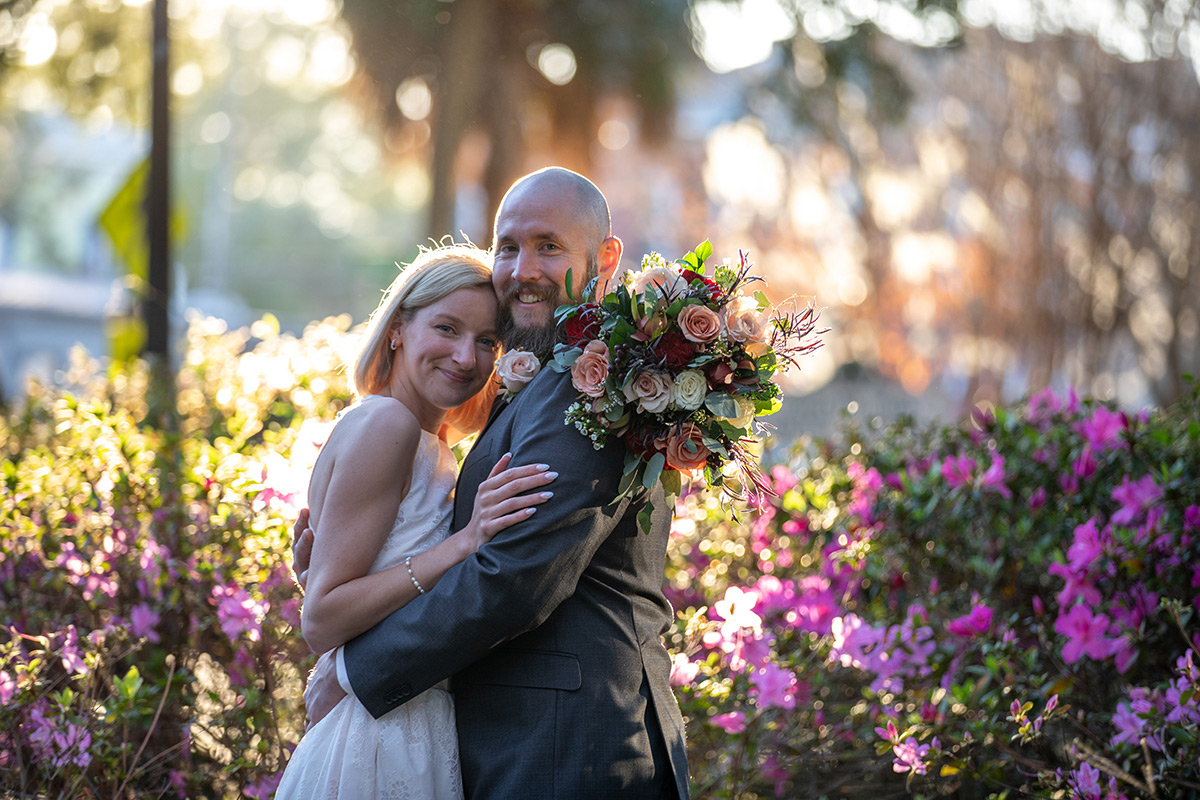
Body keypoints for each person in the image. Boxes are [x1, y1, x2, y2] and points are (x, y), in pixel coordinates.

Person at [298, 167, 692, 799]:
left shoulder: (588, 389)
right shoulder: (546, 383)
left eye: (549, 246)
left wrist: (356, 669)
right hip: (520, 738)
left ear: (605, 258)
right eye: (507, 247)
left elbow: (511, 578)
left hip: (567, 744)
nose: (522, 267)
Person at [275, 244, 557, 799]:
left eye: (486, 342)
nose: (465, 358)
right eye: (446, 328)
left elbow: (352, 585)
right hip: (374, 740)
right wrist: (463, 543)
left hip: (407, 718)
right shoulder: (388, 424)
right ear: (398, 327)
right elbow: (323, 619)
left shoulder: (434, 445)